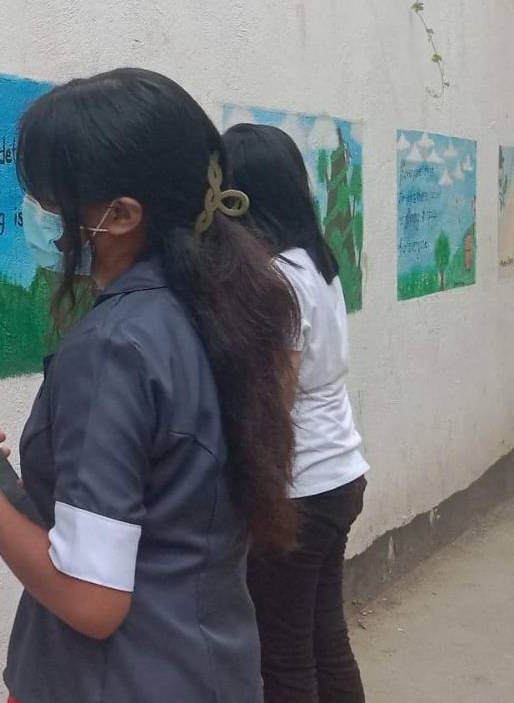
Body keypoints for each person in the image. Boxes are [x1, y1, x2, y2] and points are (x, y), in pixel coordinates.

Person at [0, 68, 301, 703]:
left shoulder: (114, 348)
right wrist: (12, 487)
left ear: (122, 215)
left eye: (51, 200)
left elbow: (92, 599)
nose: (37, 216)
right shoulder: (221, 310)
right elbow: (155, 510)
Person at [225, 122, 370, 703]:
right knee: (324, 637)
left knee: (283, 659)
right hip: (340, 474)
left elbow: (274, 401)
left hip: (298, 489)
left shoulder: (276, 277)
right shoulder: (318, 262)